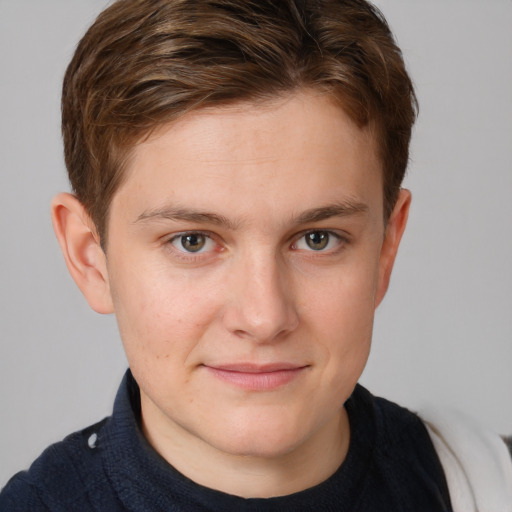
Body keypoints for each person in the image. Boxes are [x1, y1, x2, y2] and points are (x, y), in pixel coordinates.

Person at [1, 1, 510, 510]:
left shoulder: (487, 487)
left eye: (318, 238)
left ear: (386, 246)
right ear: (92, 257)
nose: (264, 318)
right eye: (192, 241)